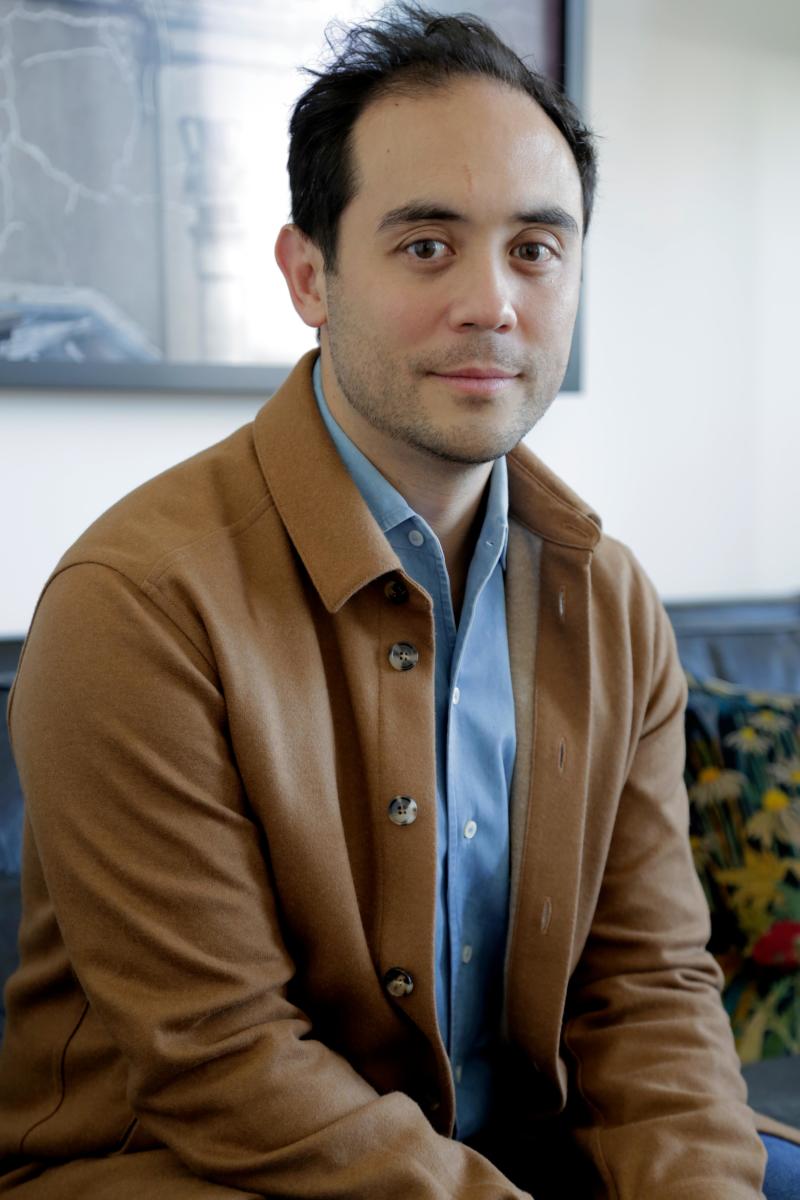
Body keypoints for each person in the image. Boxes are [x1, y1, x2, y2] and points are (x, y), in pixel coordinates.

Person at [0, 5, 797, 1197]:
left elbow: (646, 986)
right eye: (426, 245)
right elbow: (223, 1062)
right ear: (308, 274)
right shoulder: (137, 603)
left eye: (535, 247)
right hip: (189, 1168)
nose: (493, 302)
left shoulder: (608, 598)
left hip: (512, 1158)